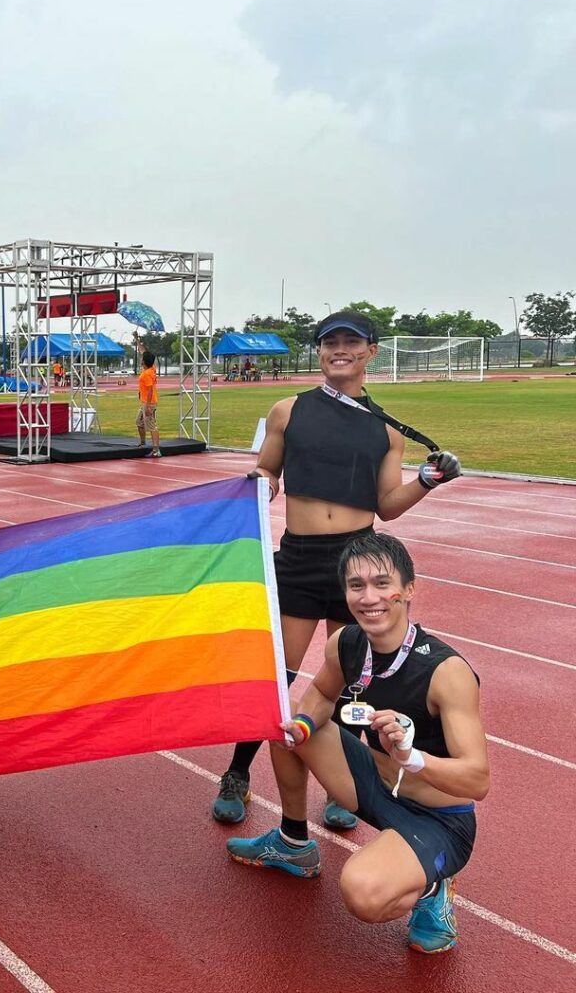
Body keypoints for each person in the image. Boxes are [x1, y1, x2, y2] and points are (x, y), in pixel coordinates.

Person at [212, 309, 462, 830]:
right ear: (320, 352)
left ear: (371, 351)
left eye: (351, 342)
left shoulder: (387, 430)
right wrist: (260, 483)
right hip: (298, 559)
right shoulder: (287, 410)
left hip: (358, 563)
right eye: (330, 344)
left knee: (354, 680)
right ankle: (237, 771)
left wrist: (428, 480)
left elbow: (388, 505)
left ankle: (344, 781)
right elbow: (267, 470)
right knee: (277, 676)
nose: (339, 350)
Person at [226, 533, 488, 954]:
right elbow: (322, 697)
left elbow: (477, 780)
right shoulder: (346, 643)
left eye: (382, 584)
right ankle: (293, 844)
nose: (370, 598)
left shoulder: (445, 672)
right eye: (356, 586)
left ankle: (432, 889)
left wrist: (412, 757)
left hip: (437, 818)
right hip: (371, 782)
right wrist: (305, 727)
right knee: (284, 720)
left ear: (408, 590)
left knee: (363, 893)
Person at [136, 350, 161, 458]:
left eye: (142, 358)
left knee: (151, 425)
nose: (141, 359)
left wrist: (148, 406)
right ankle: (143, 443)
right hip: (145, 402)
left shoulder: (147, 374)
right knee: (139, 422)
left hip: (149, 403)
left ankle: (156, 450)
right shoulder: (151, 369)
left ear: (144, 362)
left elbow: (150, 389)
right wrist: (136, 339)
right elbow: (144, 351)